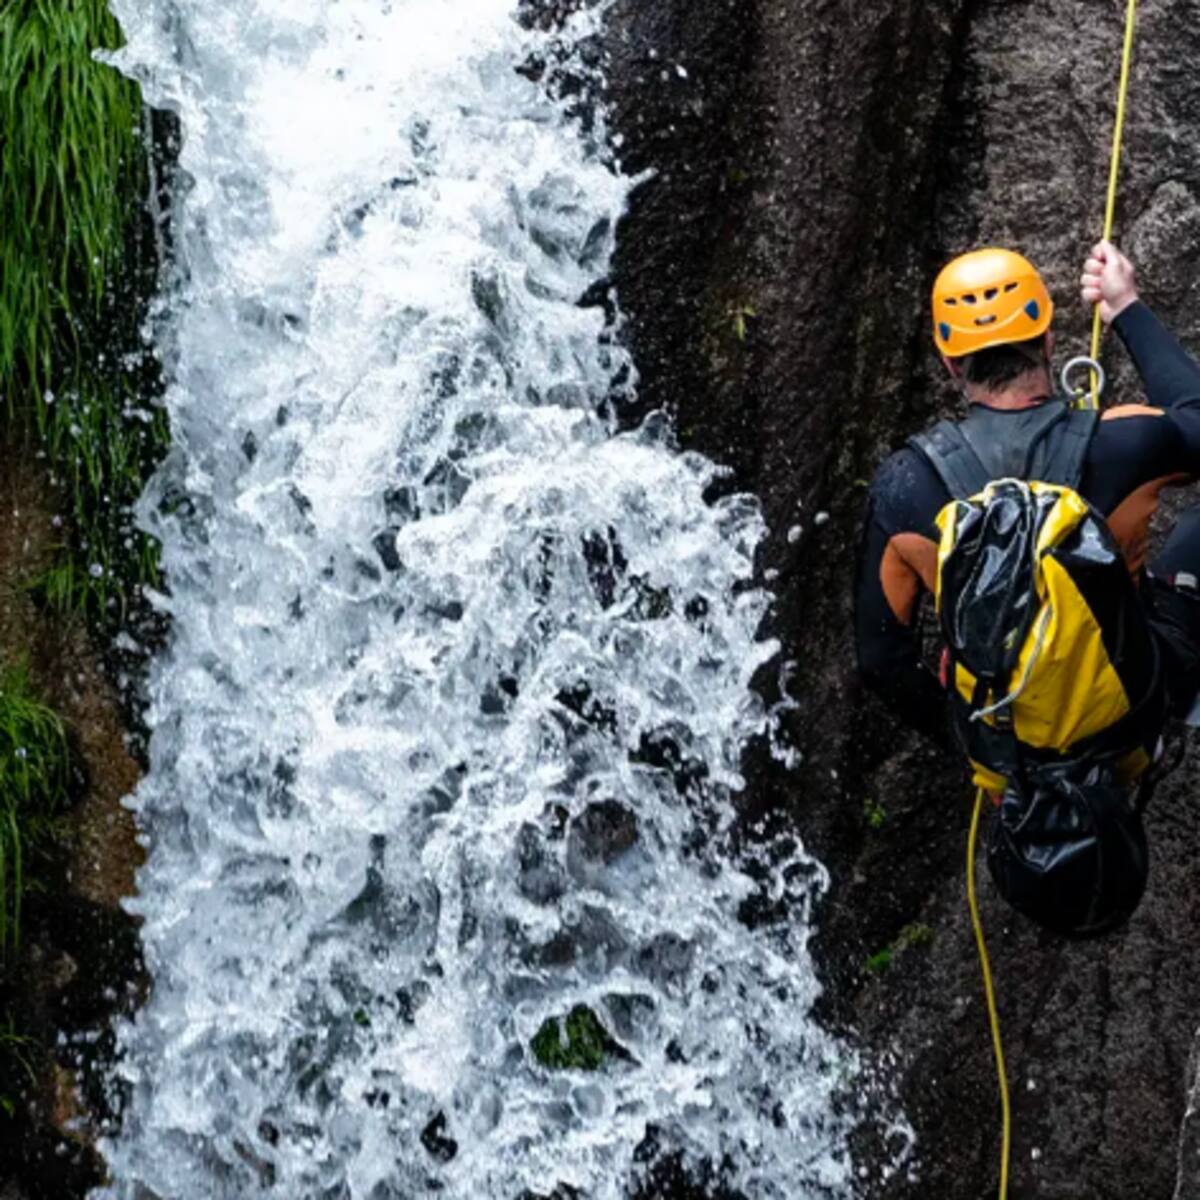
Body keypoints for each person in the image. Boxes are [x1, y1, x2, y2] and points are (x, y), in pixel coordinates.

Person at [855, 241, 1200, 755]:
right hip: (1131, 714)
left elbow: (881, 661)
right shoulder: (1124, 442)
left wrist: (982, 750)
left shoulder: (905, 484)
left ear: (951, 363)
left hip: (1011, 747)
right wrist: (1124, 305)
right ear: (1047, 340)